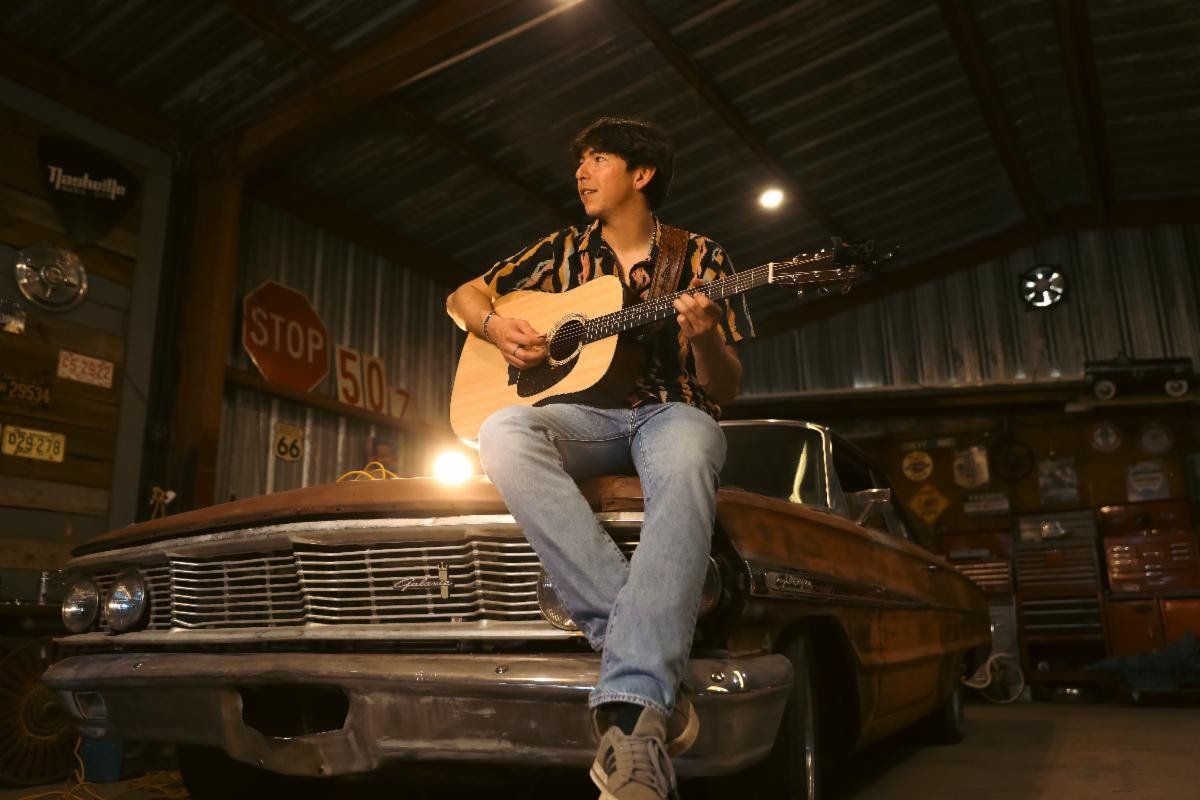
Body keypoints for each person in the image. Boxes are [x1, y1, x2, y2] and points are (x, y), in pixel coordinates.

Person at [446, 116, 753, 799]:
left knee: (695, 447)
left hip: (671, 410)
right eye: (579, 160)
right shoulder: (561, 251)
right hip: (587, 415)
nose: (580, 172)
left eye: (597, 159)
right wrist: (496, 326)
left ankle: (629, 709)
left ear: (641, 175)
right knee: (500, 432)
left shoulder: (702, 257)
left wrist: (702, 339)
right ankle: (643, 649)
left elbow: (725, 386)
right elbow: (463, 295)